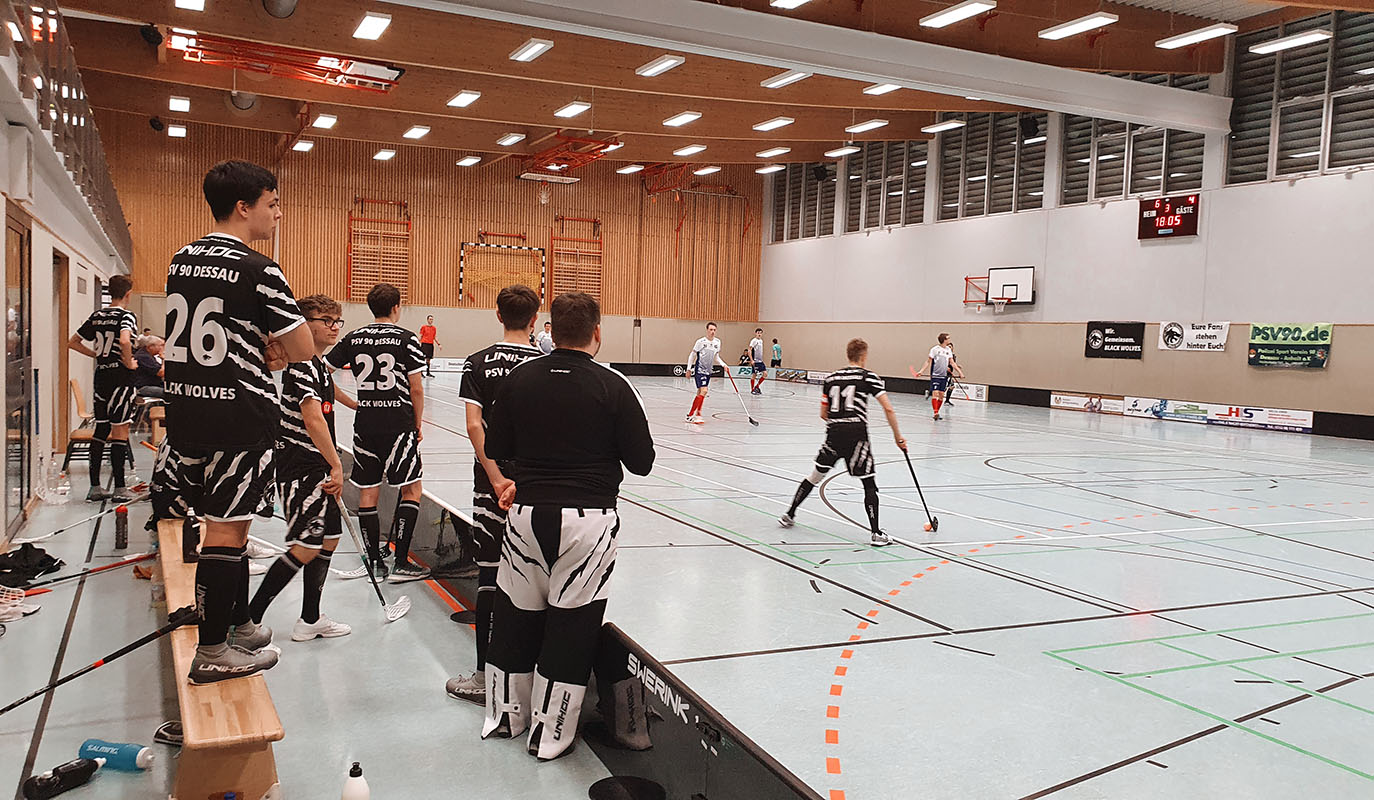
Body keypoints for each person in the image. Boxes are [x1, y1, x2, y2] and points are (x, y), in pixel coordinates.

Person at [480, 291, 655, 761]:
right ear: (596, 332)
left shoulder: (519, 379)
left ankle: (504, 717)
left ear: (550, 331)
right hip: (588, 523)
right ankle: (550, 735)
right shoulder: (614, 385)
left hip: (525, 516)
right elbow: (642, 462)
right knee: (572, 627)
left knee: (515, 617)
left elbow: (497, 447)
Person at [165, 159, 314, 684]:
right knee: (227, 533)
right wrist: (272, 346)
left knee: (224, 524)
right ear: (244, 207)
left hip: (187, 409)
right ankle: (212, 650)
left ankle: (238, 624)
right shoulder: (259, 269)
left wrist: (255, 344)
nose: (278, 214)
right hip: (239, 416)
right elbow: (303, 347)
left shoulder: (181, 259)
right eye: (273, 204)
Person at [445, 285, 543, 706]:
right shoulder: (545, 364)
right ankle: (531, 674)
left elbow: (474, 425)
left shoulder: (477, 362)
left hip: (491, 485)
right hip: (535, 486)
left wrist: (496, 477)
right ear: (535, 319)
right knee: (534, 575)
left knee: (489, 574)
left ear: (498, 315)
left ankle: (485, 675)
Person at [246, 294, 357, 642]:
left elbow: (329, 390)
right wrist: (336, 464)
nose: (334, 327)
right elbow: (312, 418)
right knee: (306, 547)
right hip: (303, 467)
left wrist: (357, 404)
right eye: (326, 320)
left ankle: (310, 619)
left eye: (337, 321)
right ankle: (247, 621)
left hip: (317, 465)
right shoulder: (302, 365)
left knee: (330, 539)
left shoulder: (318, 364)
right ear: (304, 326)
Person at [325, 283, 430, 583]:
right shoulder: (407, 339)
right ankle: (401, 562)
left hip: (366, 425)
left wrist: (352, 403)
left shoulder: (353, 337)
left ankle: (375, 563)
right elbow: (416, 388)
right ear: (397, 307)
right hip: (398, 424)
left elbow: (322, 374)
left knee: (368, 491)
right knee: (411, 489)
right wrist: (417, 424)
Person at [779, 338, 907, 547]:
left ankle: (789, 514)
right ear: (864, 356)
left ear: (848, 355)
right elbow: (888, 408)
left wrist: (839, 424)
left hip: (834, 433)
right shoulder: (868, 377)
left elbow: (823, 413)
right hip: (857, 434)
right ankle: (876, 533)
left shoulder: (831, 378)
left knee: (815, 476)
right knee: (868, 482)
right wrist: (898, 437)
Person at [69, 274, 138, 502]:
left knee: (100, 430)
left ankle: (95, 487)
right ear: (128, 294)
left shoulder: (97, 316)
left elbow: (73, 342)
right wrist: (128, 361)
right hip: (120, 378)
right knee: (120, 432)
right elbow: (125, 340)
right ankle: (120, 488)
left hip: (101, 377)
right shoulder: (126, 316)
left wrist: (96, 355)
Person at [914, 333, 964, 421]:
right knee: (935, 393)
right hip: (935, 375)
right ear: (944, 340)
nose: (949, 340)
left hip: (944, 376)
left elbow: (952, 363)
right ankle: (935, 413)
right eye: (948, 338)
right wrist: (921, 371)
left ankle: (937, 411)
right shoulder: (935, 349)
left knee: (941, 395)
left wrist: (960, 372)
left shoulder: (948, 350)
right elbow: (928, 361)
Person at [684, 322, 727, 424]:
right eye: (711, 330)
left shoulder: (717, 342)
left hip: (708, 371)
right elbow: (692, 355)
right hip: (700, 370)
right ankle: (698, 414)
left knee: (700, 392)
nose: (712, 332)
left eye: (714, 330)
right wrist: (688, 369)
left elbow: (716, 357)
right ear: (707, 330)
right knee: (704, 391)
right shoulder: (701, 342)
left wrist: (724, 365)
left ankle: (690, 415)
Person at [749, 327, 767, 395]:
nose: (759, 334)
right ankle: (752, 389)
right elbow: (749, 350)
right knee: (754, 375)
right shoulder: (754, 341)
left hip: (760, 361)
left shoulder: (761, 341)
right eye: (758, 333)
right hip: (755, 361)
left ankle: (757, 386)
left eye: (760, 333)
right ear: (755, 333)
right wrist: (751, 360)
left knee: (765, 374)